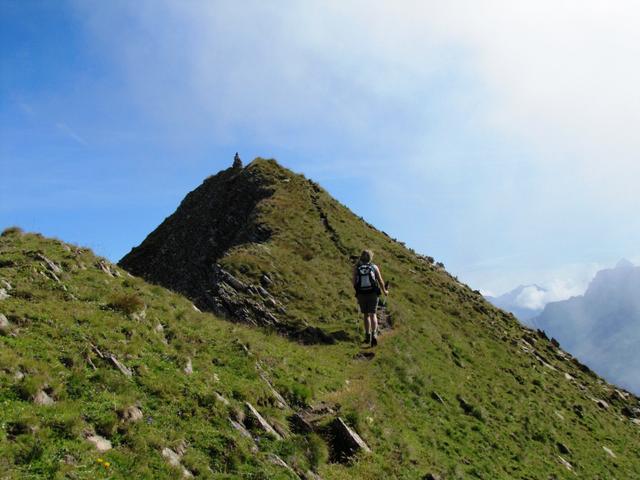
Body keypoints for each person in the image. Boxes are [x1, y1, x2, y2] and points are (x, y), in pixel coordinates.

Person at [353, 249, 388, 347]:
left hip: (361, 294)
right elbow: (380, 281)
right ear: (370, 257)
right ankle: (374, 335)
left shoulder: (357, 268)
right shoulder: (374, 267)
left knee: (365, 315)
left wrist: (358, 291)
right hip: (373, 293)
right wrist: (385, 291)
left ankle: (367, 335)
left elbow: (354, 283)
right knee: (373, 314)